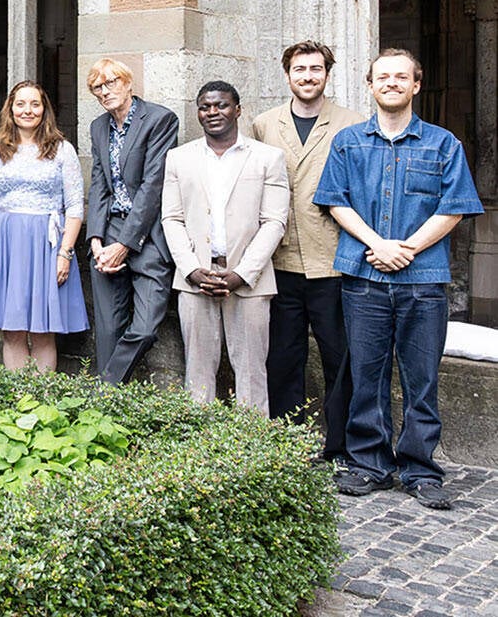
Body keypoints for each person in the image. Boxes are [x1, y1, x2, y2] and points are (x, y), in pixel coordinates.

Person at [314, 48, 483, 509]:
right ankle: (370, 464)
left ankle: (420, 469)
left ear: (416, 85)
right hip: (364, 279)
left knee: (421, 378)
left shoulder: (443, 144)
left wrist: (406, 248)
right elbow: (334, 200)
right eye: (382, 76)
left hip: (423, 280)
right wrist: (378, 244)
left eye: (401, 77)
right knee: (366, 376)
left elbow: (454, 208)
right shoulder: (348, 142)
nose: (391, 83)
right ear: (370, 85)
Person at [249, 40, 360, 460]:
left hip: (332, 259)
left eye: (316, 69)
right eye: (300, 69)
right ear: (287, 74)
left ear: (327, 74)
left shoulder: (351, 124)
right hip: (279, 261)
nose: (308, 76)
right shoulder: (264, 124)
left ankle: (340, 445)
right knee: (283, 357)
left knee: (338, 357)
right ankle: (288, 439)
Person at [162, 81, 289, 410]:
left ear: (238, 110)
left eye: (221, 105)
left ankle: (252, 446)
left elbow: (274, 221)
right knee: (198, 374)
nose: (213, 112)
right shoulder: (179, 158)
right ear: (198, 112)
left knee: (251, 371)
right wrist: (191, 270)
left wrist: (242, 274)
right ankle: (200, 451)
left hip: (249, 281)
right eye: (205, 107)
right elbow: (171, 219)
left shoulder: (267, 158)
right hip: (196, 280)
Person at [0, 81, 87, 371]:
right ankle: (17, 398)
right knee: (13, 330)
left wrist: (65, 253)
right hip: (6, 246)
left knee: (44, 330)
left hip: (47, 246)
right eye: (20, 104)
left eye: (35, 104)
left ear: (44, 109)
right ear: (10, 109)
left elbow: (75, 207)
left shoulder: (62, 150)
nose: (28, 110)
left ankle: (43, 400)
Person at [85, 57, 179, 384]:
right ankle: (110, 409)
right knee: (109, 327)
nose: (105, 91)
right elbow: (99, 182)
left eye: (111, 82)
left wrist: (124, 244)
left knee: (145, 326)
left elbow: (153, 185)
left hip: (148, 235)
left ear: (128, 83)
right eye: (98, 87)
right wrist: (96, 240)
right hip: (108, 229)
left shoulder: (160, 119)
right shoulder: (98, 127)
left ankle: (106, 390)